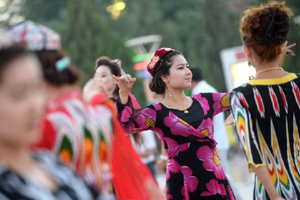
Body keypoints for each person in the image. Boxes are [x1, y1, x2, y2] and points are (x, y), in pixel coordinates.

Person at [113, 47, 235, 199]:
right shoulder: (156, 113)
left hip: (214, 182)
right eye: (180, 68)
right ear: (165, 77)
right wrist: (124, 93)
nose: (188, 72)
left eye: (187, 67)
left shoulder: (206, 101)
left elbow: (241, 98)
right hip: (182, 185)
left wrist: (239, 114)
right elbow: (124, 126)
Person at [0, 45, 98, 199]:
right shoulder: (96, 110)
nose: (36, 105)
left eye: (37, 88)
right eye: (18, 95)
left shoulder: (50, 162)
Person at [230, 1, 300, 199]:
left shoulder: (241, 97)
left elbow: (253, 155)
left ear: (247, 51)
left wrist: (276, 196)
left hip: (272, 190)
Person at [190, 67, 242, 200]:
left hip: (214, 141)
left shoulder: (200, 91)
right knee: (222, 175)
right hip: (218, 139)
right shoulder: (207, 88)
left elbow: (207, 119)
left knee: (224, 175)